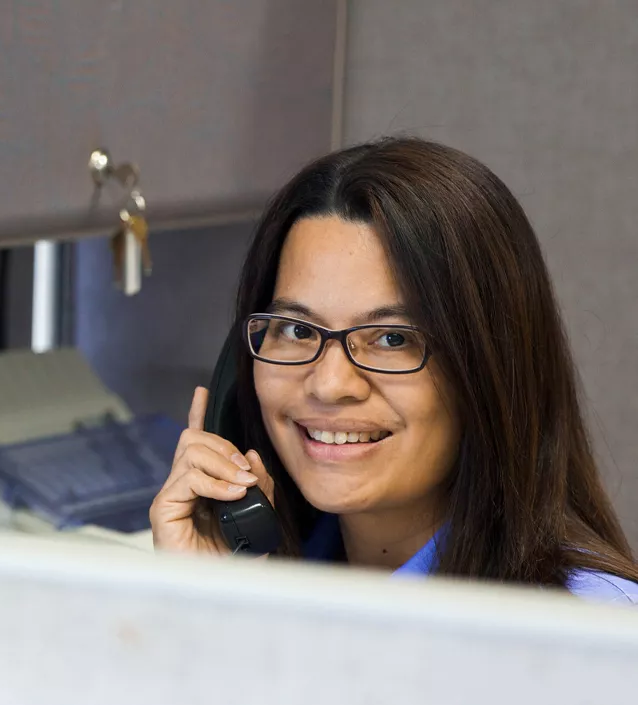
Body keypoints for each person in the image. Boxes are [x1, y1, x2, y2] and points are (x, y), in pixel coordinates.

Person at [150, 137, 638, 603]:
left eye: (393, 339)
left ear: (489, 370)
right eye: (297, 331)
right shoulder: (281, 578)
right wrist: (207, 606)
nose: (330, 384)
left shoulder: (590, 635)